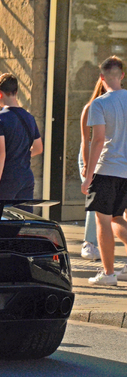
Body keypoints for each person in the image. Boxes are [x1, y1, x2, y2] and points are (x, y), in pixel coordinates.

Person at [81, 56, 127, 286]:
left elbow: (97, 140)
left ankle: (108, 274)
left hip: (107, 169)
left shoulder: (99, 104)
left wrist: (88, 176)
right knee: (119, 218)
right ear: (122, 75)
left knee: (104, 221)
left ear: (101, 77)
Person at [0, 73, 43, 201]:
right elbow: (38, 148)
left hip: (7, 178)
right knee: (22, 218)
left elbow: (0, 153)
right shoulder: (29, 118)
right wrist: (20, 154)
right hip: (26, 177)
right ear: (16, 92)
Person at [78, 78, 106, 261]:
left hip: (108, 157)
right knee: (95, 198)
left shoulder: (118, 106)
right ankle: (89, 242)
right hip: (90, 156)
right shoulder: (90, 107)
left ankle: (95, 243)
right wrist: (88, 166)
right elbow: (85, 140)